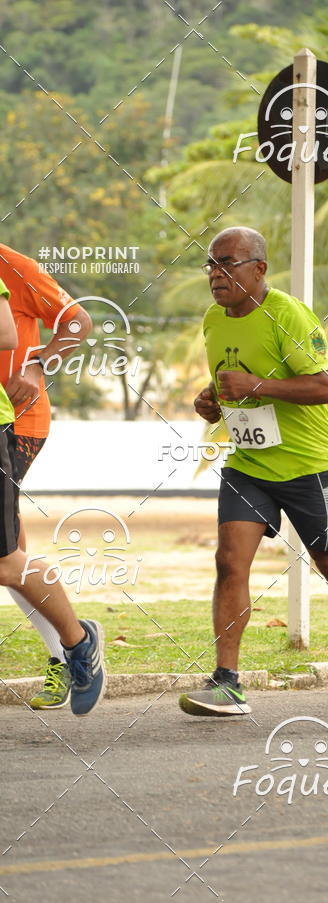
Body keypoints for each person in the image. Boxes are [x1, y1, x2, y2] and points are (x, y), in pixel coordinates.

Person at [178, 226, 328, 718]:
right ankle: (227, 681)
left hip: (306, 467)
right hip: (249, 465)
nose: (216, 274)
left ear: (259, 268)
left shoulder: (288, 314)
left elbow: (326, 388)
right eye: (211, 264)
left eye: (228, 263)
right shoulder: (214, 320)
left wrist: (256, 386)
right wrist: (211, 401)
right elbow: (228, 383)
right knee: (229, 562)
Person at [0, 274, 104, 716]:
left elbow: (78, 320)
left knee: (7, 559)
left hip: (20, 420)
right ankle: (69, 647)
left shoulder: (11, 264)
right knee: (11, 555)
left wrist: (37, 365)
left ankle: (74, 645)